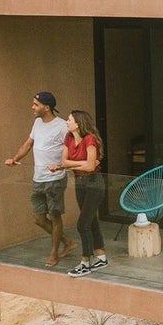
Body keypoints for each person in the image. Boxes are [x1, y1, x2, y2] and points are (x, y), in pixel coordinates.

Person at [5, 91, 76, 267]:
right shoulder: (37, 122)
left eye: (36, 104)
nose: (32, 107)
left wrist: (61, 165)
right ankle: (67, 241)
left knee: (55, 215)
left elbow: (72, 148)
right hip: (38, 178)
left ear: (47, 107)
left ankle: (54, 253)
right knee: (38, 218)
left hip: (55, 179)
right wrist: (15, 159)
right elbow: (28, 144)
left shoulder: (61, 126)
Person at [48, 110, 109, 277]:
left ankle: (85, 262)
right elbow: (65, 162)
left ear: (78, 123)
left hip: (94, 182)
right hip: (80, 183)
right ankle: (101, 257)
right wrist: (82, 163)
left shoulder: (90, 139)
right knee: (91, 220)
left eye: (69, 120)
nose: (67, 122)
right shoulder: (68, 137)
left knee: (82, 224)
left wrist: (71, 165)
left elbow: (90, 168)